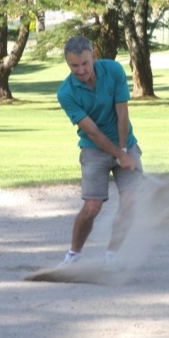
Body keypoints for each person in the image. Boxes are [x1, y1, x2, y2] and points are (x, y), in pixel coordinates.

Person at [56, 36, 142, 269]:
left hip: (126, 143)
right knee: (92, 206)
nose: (81, 70)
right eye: (74, 66)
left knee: (130, 202)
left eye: (85, 63)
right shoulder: (66, 93)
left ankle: (111, 256)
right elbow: (92, 131)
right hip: (94, 150)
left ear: (93, 56)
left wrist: (124, 151)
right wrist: (118, 154)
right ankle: (74, 255)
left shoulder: (113, 70)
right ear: (68, 64)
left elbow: (122, 114)